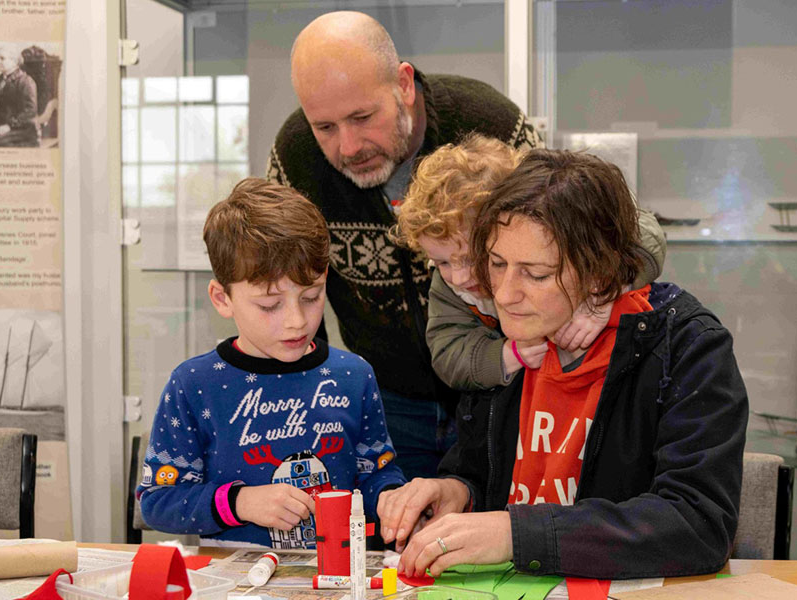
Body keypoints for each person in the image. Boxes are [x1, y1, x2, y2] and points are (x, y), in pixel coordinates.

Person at [267, 11, 667, 480]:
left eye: (362, 117)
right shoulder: (295, 154)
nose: (349, 145)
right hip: (387, 396)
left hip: (509, 394)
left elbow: (614, 227)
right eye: (326, 128)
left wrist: (601, 290)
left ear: (404, 84)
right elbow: (285, 280)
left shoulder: (490, 122)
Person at [377, 150, 748, 579]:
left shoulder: (686, 347)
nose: (505, 294)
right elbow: (480, 471)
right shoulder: (504, 341)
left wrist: (516, 535)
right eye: (496, 265)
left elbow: (699, 525)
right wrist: (454, 492)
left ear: (598, 274)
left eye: (535, 274)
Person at [137, 178, 405, 548]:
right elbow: (157, 502)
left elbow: (376, 474)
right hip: (236, 578)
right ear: (222, 298)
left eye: (311, 297)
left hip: (339, 574)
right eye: (269, 305)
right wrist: (239, 502)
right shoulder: (194, 384)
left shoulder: (353, 376)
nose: (296, 320)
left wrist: (394, 500)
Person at [393, 134, 668, 391]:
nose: (460, 278)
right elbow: (447, 350)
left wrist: (605, 289)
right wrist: (504, 356)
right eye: (442, 263)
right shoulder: (450, 285)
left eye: (473, 258)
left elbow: (646, 234)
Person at [0, 44, 38, 147]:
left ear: (14, 61)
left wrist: (9, 126)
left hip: (21, 129)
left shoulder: (26, 82)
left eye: (2, 58)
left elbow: (30, 110)